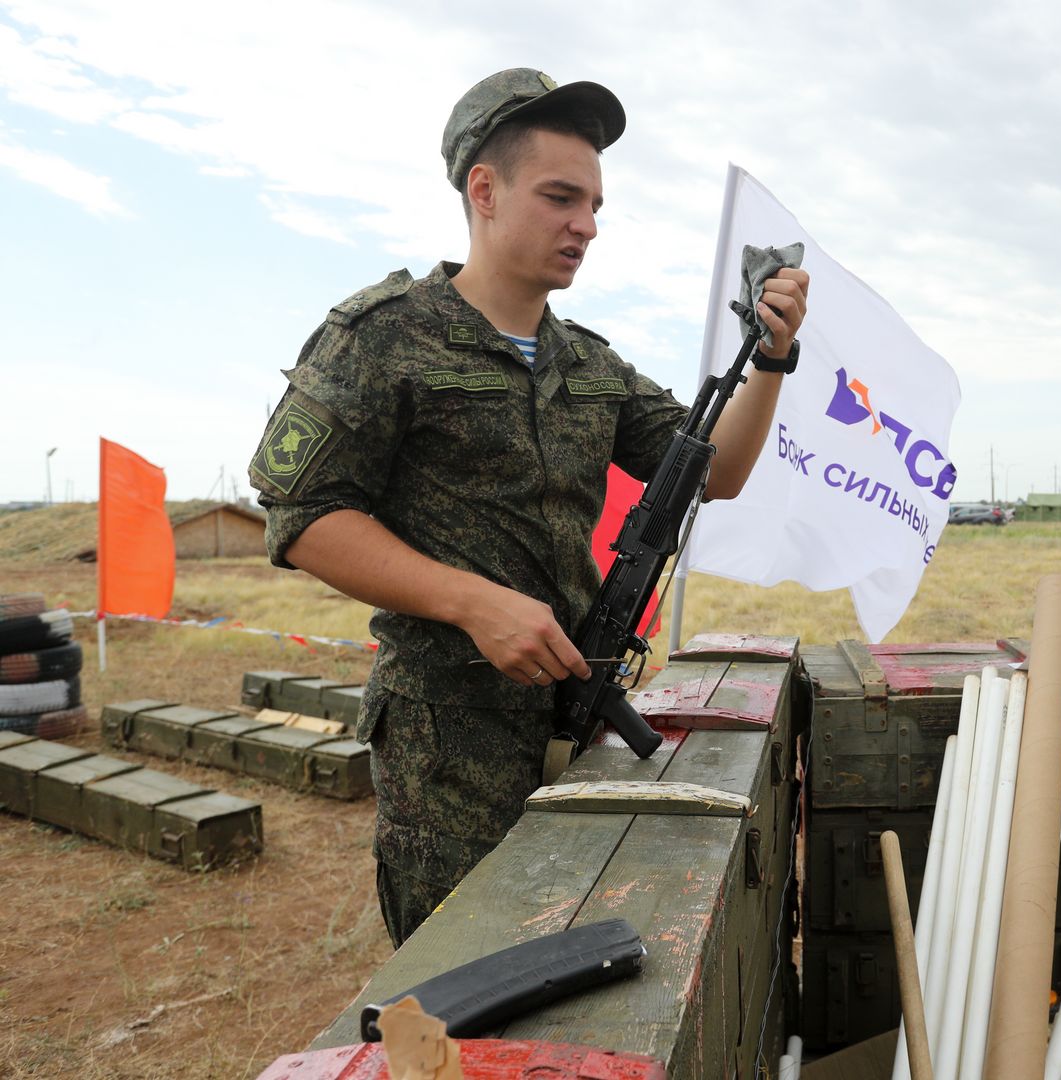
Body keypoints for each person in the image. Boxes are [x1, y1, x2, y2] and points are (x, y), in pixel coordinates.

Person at [248, 68, 809, 947]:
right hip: (448, 749)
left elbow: (715, 472)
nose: (584, 225)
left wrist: (771, 360)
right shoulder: (383, 335)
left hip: (578, 713)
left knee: (567, 956)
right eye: (559, 197)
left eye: (593, 205)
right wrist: (473, 603)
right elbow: (304, 517)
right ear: (485, 190)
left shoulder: (588, 364)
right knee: (460, 979)